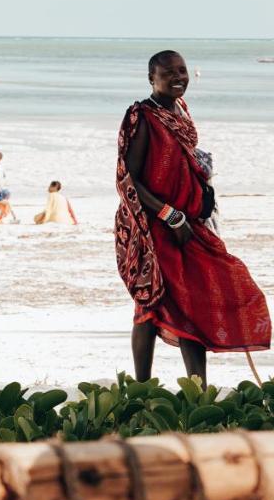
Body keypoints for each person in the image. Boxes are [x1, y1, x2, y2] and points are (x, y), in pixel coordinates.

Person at [116, 50, 270, 384]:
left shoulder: (181, 110)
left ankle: (196, 391)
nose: (177, 77)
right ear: (151, 79)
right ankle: (141, 387)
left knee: (192, 304)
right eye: (167, 73)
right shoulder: (142, 116)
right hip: (154, 228)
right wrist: (171, 216)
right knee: (150, 306)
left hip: (191, 225)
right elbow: (129, 179)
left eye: (182, 71)